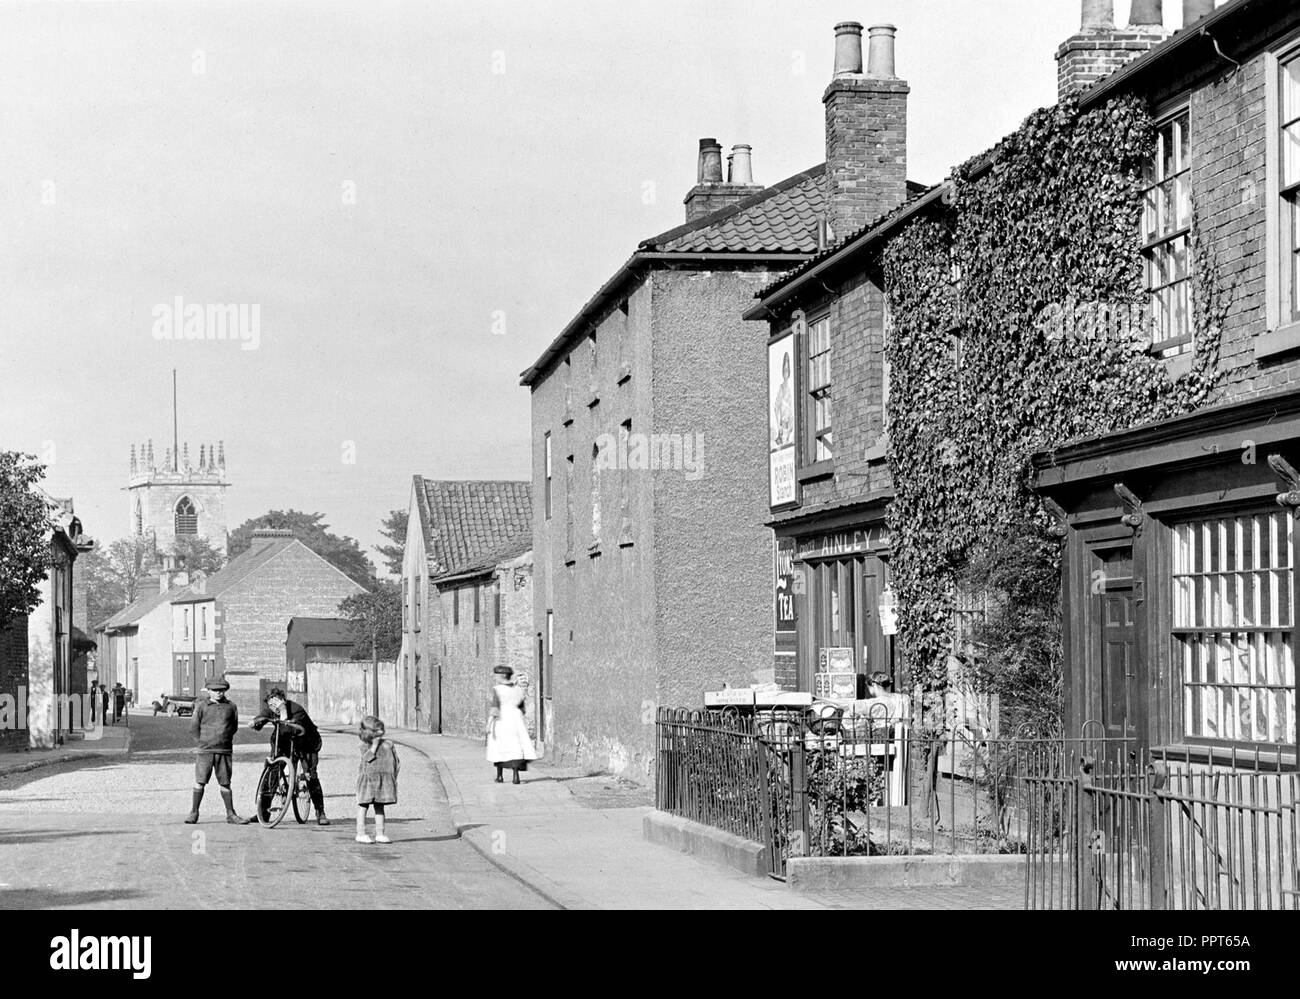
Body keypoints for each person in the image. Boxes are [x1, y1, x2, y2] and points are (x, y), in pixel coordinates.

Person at [250, 688, 329, 825]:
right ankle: (263, 813)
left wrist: (282, 709)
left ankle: (320, 811)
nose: (273, 708)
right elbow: (260, 720)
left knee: (310, 774)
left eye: (276, 704)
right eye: (271, 705)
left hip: (306, 743)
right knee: (273, 773)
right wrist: (256, 722)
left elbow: (287, 726)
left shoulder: (297, 710)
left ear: (283, 701)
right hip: (285, 743)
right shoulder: (271, 708)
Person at [185, 678, 250, 824]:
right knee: (200, 781)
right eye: (215, 690)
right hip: (205, 751)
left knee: (225, 782)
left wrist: (223, 739)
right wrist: (202, 744)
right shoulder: (201, 706)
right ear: (208, 691)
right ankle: (194, 813)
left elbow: (233, 727)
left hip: (224, 750)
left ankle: (231, 814)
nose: (218, 693)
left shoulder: (231, 707)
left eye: (221, 690)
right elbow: (194, 728)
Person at [486, 665, 537, 785]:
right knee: (515, 746)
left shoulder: (497, 689)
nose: (496, 677)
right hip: (516, 719)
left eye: (497, 675)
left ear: (501, 676)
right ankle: (516, 776)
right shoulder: (518, 689)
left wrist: (489, 723)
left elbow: (495, 707)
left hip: (502, 719)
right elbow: (522, 707)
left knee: (499, 746)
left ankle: (500, 776)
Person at [355, 715, 399, 844]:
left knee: (380, 807)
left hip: (383, 780)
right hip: (367, 781)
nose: (380, 734)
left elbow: (395, 761)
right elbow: (367, 758)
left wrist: (393, 776)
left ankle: (380, 833)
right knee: (363, 806)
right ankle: (361, 833)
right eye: (376, 731)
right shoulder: (364, 746)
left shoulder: (388, 745)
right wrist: (373, 746)